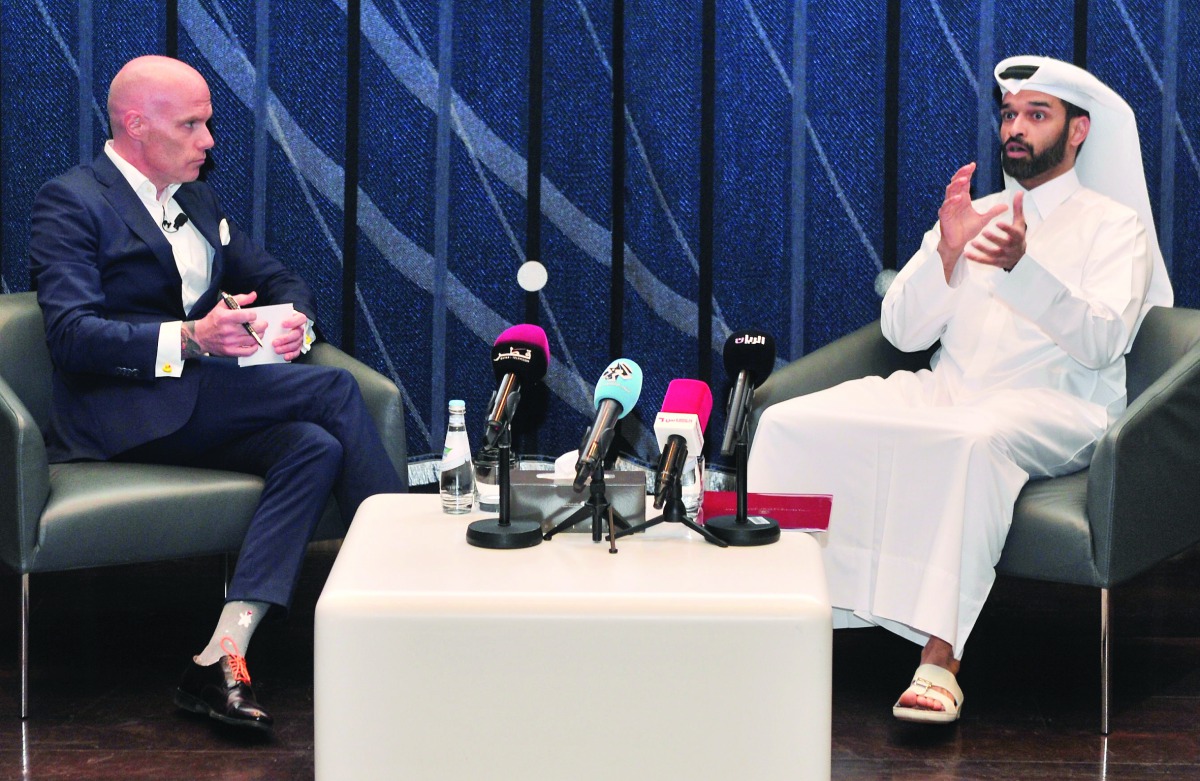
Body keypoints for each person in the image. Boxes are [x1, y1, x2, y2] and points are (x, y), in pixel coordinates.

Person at [748, 55, 1172, 724]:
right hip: (949, 388)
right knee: (787, 423)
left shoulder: (1114, 226)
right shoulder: (974, 214)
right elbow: (904, 331)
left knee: (970, 441)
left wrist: (1023, 269)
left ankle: (940, 659)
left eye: (1036, 115)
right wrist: (946, 253)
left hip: (1059, 404)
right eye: (1009, 115)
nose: (1016, 129)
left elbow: (1102, 341)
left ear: (1079, 130)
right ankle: (779, 619)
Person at [29, 55, 405, 732]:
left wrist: (292, 325)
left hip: (203, 400)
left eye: (208, 123)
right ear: (137, 125)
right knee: (332, 390)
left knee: (313, 447)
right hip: (122, 410)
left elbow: (280, 279)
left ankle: (219, 655)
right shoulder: (73, 201)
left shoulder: (197, 198)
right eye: (191, 125)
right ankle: (410, 588)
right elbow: (71, 336)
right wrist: (190, 337)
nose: (208, 140)